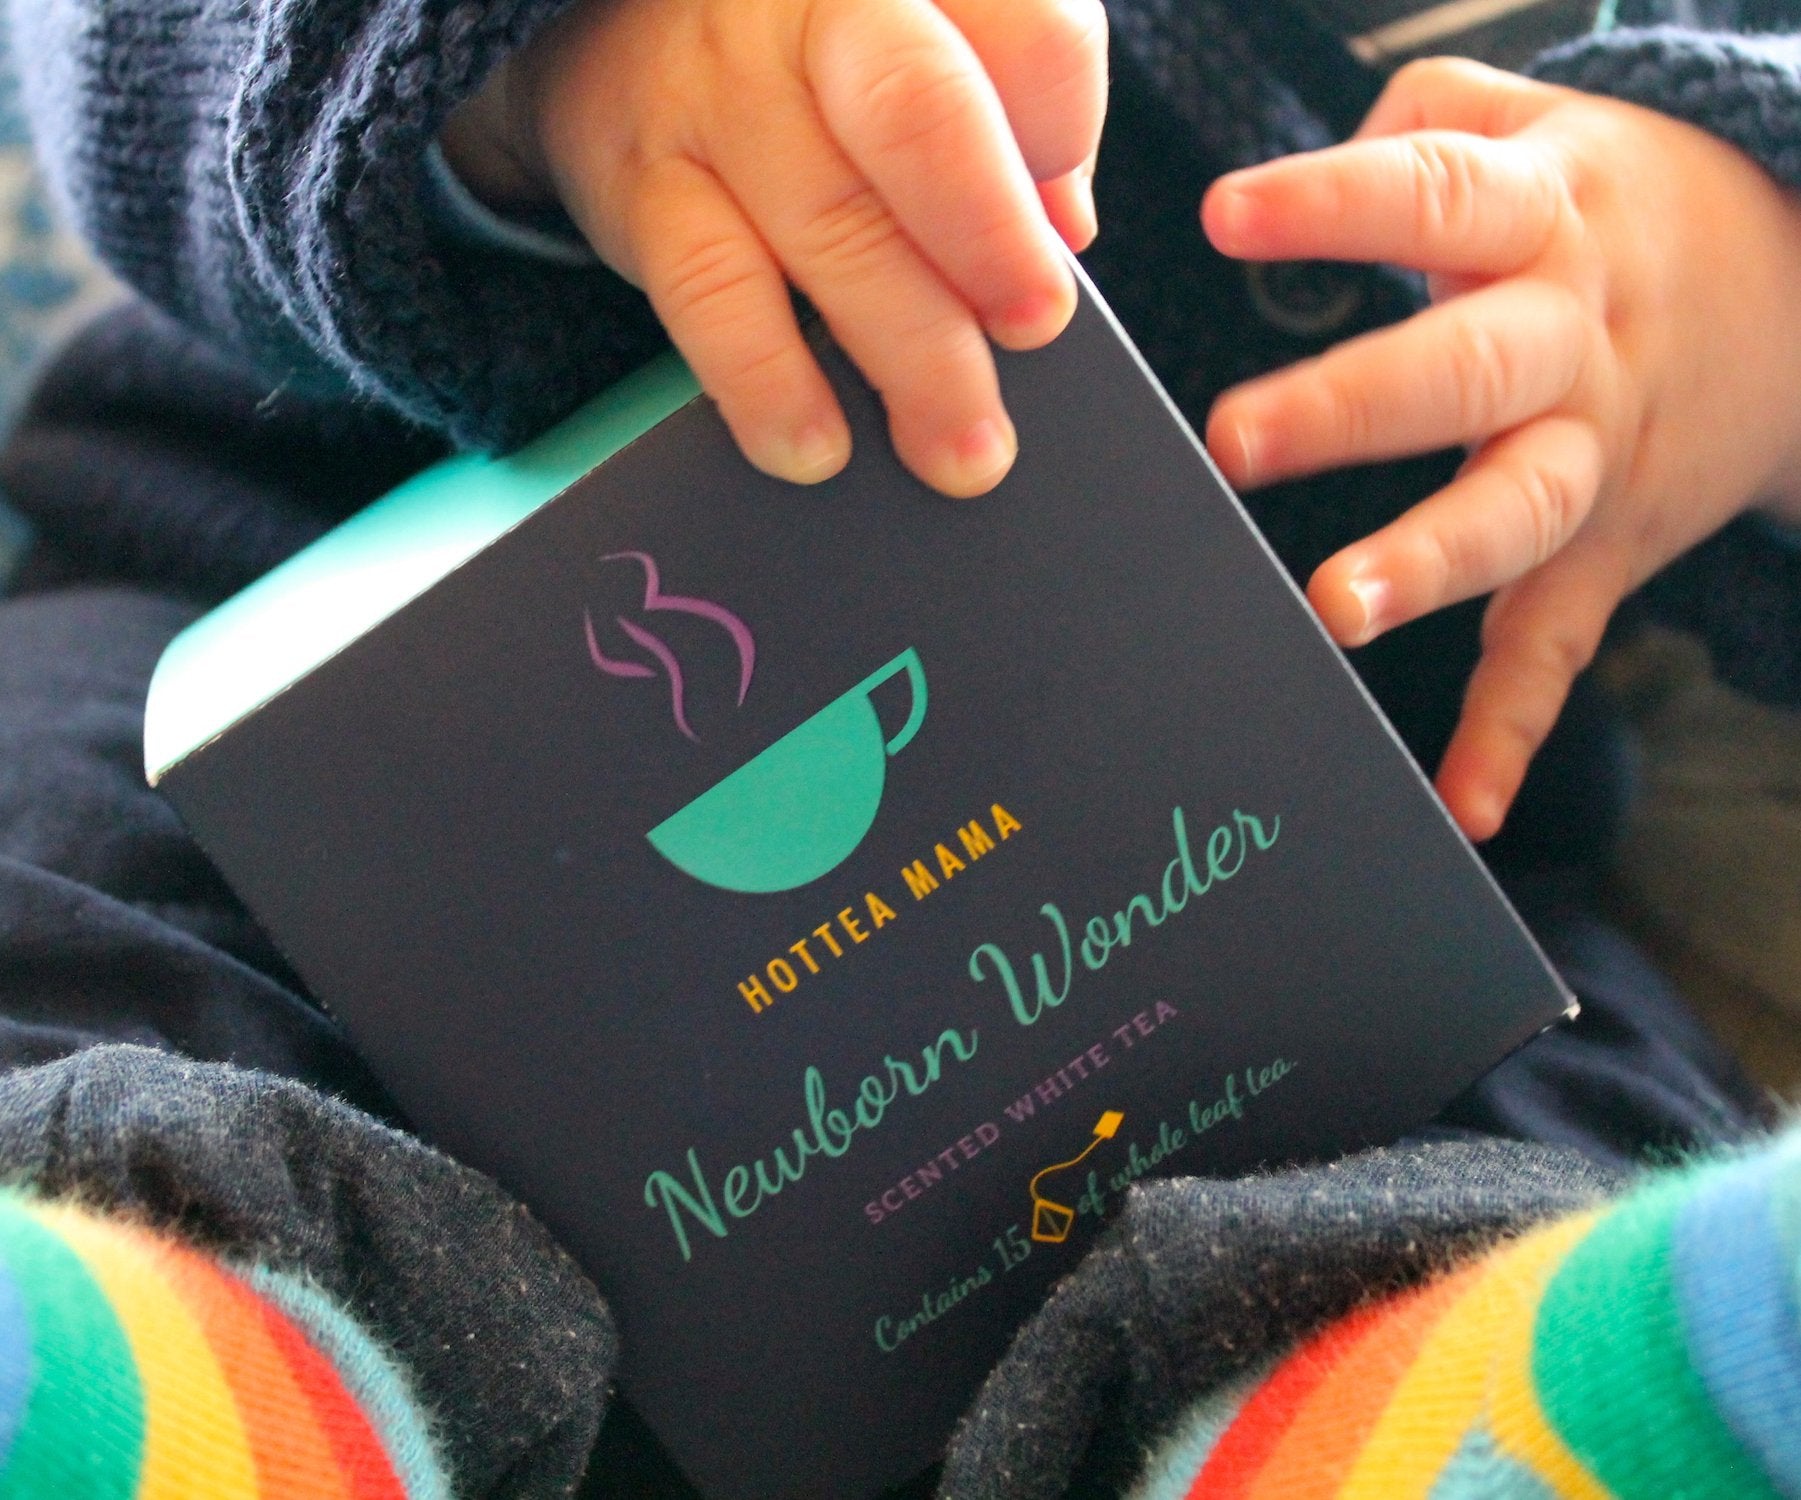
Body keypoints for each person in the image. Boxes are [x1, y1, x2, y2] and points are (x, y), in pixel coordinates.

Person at [0, 0, 1794, 1493]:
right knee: (87, 879)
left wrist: (1751, 279)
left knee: (1521, 1097)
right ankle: (167, 1368)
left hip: (1324, 830)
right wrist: (534, 60)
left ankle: (1440, 1413)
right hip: (296, 619)